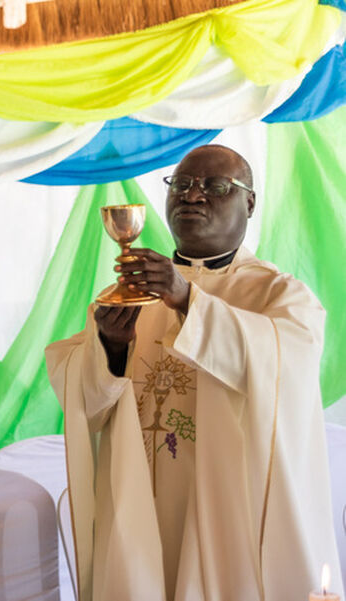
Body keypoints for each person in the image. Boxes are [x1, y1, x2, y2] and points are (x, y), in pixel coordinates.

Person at [45, 144, 342, 601]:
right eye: (181, 185)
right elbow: (82, 399)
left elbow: (287, 366)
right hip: (136, 495)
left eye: (215, 186)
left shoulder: (279, 294)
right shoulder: (125, 294)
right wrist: (110, 348)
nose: (193, 196)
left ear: (249, 202)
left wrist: (188, 301)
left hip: (225, 509)